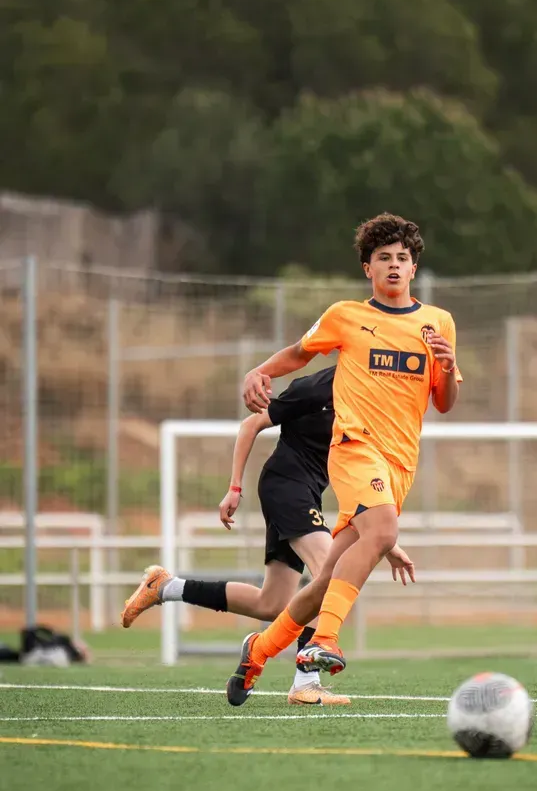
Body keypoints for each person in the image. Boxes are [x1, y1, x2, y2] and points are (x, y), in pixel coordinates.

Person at [227, 212, 461, 706]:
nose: (394, 265)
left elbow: (443, 402)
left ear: (414, 268)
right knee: (383, 532)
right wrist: (258, 370)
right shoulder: (346, 316)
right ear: (367, 269)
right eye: (384, 258)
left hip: (400, 463)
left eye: (403, 258)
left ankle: (261, 650)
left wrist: (447, 365)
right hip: (354, 448)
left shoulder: (438, 323)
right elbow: (298, 353)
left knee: (329, 575)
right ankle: (324, 643)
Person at [121, 365, 414, 705]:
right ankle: (306, 681)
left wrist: (384, 539)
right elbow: (251, 424)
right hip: (286, 487)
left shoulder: (370, 394)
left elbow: (361, 484)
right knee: (329, 579)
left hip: (307, 493)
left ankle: (166, 587)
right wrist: (233, 487)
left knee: (271, 603)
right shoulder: (315, 388)